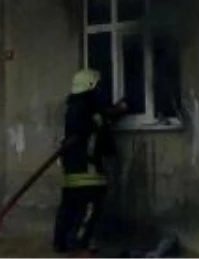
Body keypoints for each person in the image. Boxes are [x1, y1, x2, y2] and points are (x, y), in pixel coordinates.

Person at [53, 69, 128, 256]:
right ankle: (79, 244)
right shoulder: (87, 111)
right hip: (88, 173)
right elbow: (101, 121)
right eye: (98, 87)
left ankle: (60, 243)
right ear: (90, 88)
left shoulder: (74, 109)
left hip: (72, 172)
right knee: (90, 208)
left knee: (68, 208)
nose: (101, 91)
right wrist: (120, 109)